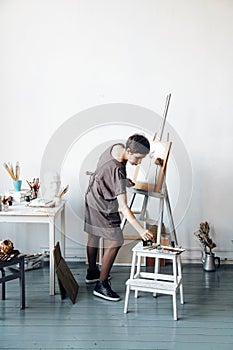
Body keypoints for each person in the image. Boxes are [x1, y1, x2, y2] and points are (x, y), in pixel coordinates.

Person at [84, 133, 154, 301]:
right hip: (102, 203)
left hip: (92, 195)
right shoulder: (117, 170)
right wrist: (141, 230)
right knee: (117, 240)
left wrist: (122, 182)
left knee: (94, 234)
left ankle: (92, 272)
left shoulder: (116, 147)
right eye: (138, 158)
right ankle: (101, 285)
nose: (139, 163)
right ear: (129, 151)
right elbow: (123, 207)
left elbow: (107, 172)